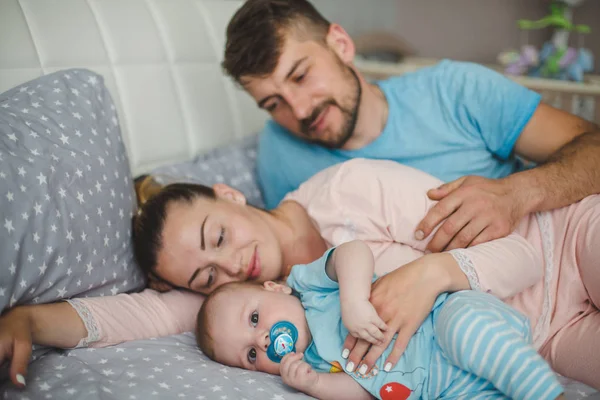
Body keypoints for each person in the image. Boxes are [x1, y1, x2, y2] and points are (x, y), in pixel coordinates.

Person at [1, 159, 598, 390]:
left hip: (561, 242)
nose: (232, 264)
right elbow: (138, 315)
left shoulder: (351, 190)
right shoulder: (246, 310)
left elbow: (515, 246)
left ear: (230, 193)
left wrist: (433, 273)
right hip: (540, 336)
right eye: (206, 277)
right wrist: (25, 317)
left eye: (220, 236)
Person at [225, 0, 600, 250]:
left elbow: (593, 149)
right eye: (273, 104)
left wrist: (516, 194)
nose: (300, 111)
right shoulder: (279, 151)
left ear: (340, 44)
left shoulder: (458, 90)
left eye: (301, 76)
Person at [196, 240, 565, 400]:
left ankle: (546, 393)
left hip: (443, 324)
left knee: (466, 330)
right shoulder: (314, 366)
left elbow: (352, 252)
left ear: (275, 288)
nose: (262, 341)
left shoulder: (308, 287)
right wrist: (315, 386)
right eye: (250, 355)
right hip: (446, 389)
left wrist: (353, 300)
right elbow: (364, 390)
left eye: (255, 318)